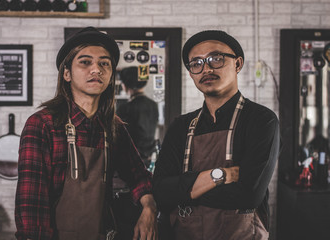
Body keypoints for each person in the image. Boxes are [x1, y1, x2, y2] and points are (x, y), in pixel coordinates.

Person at [15, 26, 157, 240]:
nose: (96, 69)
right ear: (66, 73)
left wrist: (149, 208)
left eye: (104, 63)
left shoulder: (113, 126)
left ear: (110, 75)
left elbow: (139, 175)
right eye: (85, 62)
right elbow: (31, 204)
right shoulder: (42, 124)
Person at [152, 30, 280, 240]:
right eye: (196, 63)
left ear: (237, 64)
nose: (206, 68)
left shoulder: (261, 120)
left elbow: (249, 195)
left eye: (216, 59)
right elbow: (161, 191)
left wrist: (185, 190)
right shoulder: (180, 126)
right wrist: (221, 175)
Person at [116, 66, 159, 168]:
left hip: (130, 161)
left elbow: (118, 137)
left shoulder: (125, 108)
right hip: (148, 158)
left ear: (125, 85)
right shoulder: (153, 104)